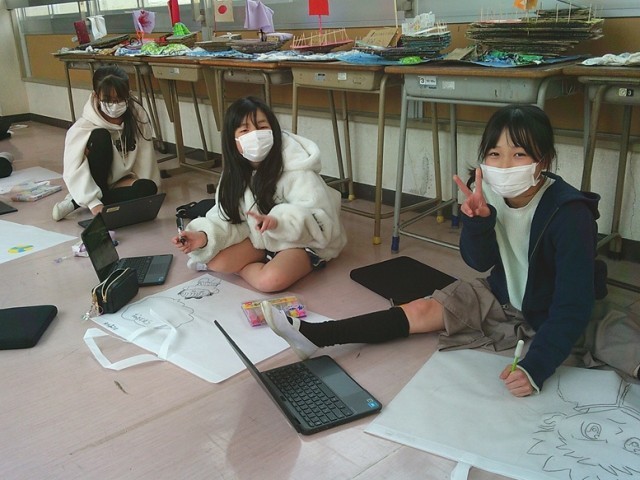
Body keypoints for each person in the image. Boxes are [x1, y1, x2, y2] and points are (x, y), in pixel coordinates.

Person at [263, 104, 640, 397]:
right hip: (504, 295)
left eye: (519, 154)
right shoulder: (488, 191)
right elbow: (479, 261)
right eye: (494, 153)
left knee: (617, 343)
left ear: (543, 160)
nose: (504, 164)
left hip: (558, 305)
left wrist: (535, 368)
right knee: (422, 308)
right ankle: (318, 335)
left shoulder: (569, 213)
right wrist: (478, 223)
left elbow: (572, 304)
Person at [172, 96, 346, 293]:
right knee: (218, 262)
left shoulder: (297, 169)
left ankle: (254, 266)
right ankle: (263, 259)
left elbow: (320, 219)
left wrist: (278, 222)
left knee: (269, 281)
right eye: (245, 130)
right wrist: (202, 236)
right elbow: (226, 218)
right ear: (232, 140)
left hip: (302, 240)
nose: (255, 135)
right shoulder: (234, 174)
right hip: (260, 238)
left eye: (262, 127)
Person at [52, 64, 160, 221]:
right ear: (96, 96)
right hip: (96, 179)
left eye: (120, 99)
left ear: (128, 94)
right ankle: (86, 197)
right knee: (100, 136)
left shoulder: (137, 116)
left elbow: (145, 155)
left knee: (149, 188)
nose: (115, 105)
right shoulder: (83, 126)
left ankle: (76, 201)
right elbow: (73, 169)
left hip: (121, 180)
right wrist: (92, 200)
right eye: (108, 100)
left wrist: (143, 185)